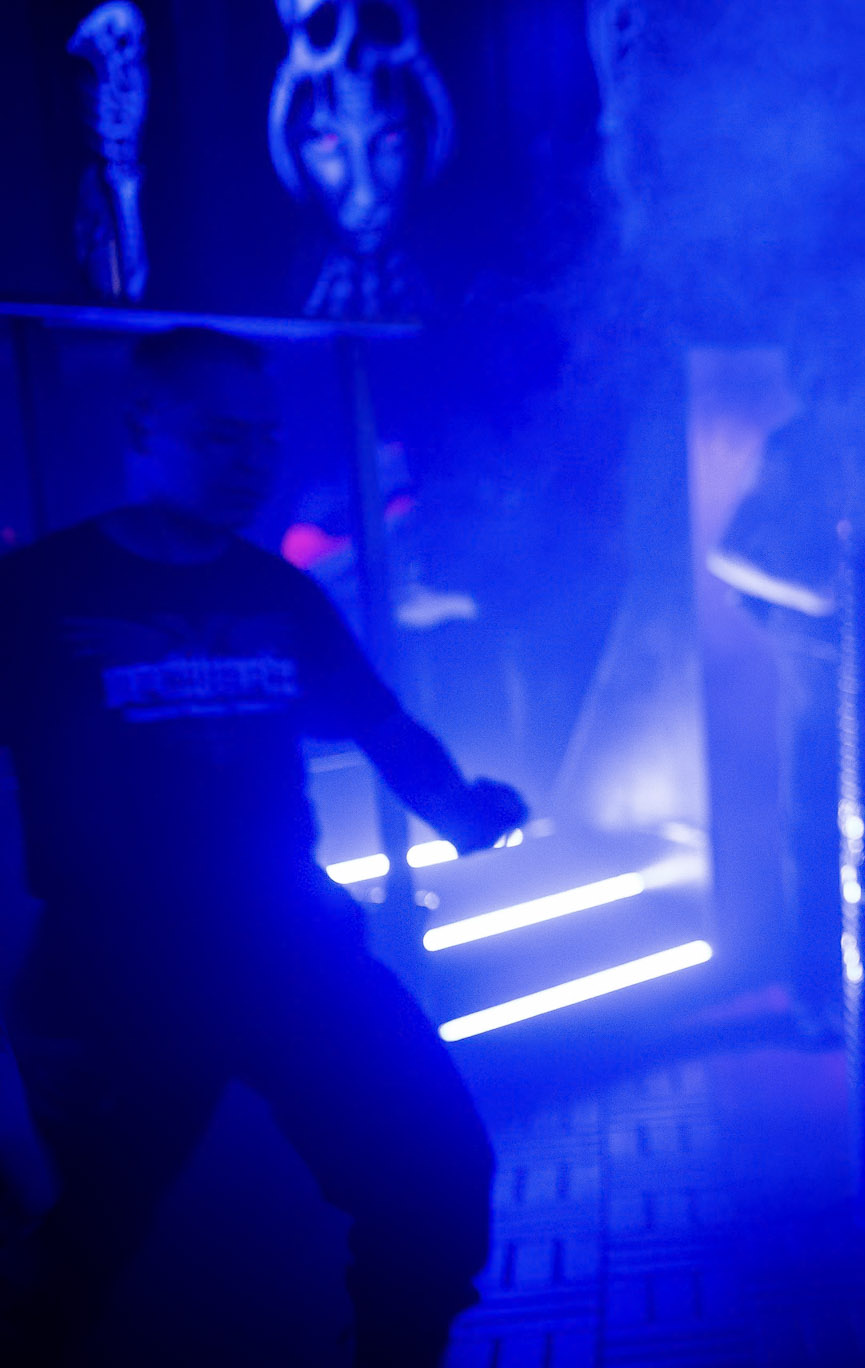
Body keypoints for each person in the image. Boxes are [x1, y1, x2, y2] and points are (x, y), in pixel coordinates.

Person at [0, 326, 524, 1365]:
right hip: (116, 974)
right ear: (141, 427)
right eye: (220, 435)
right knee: (76, 1251)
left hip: (288, 943)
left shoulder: (278, 592)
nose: (251, 461)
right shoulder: (36, 594)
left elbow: (379, 723)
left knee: (434, 1177)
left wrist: (461, 813)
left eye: (266, 438)